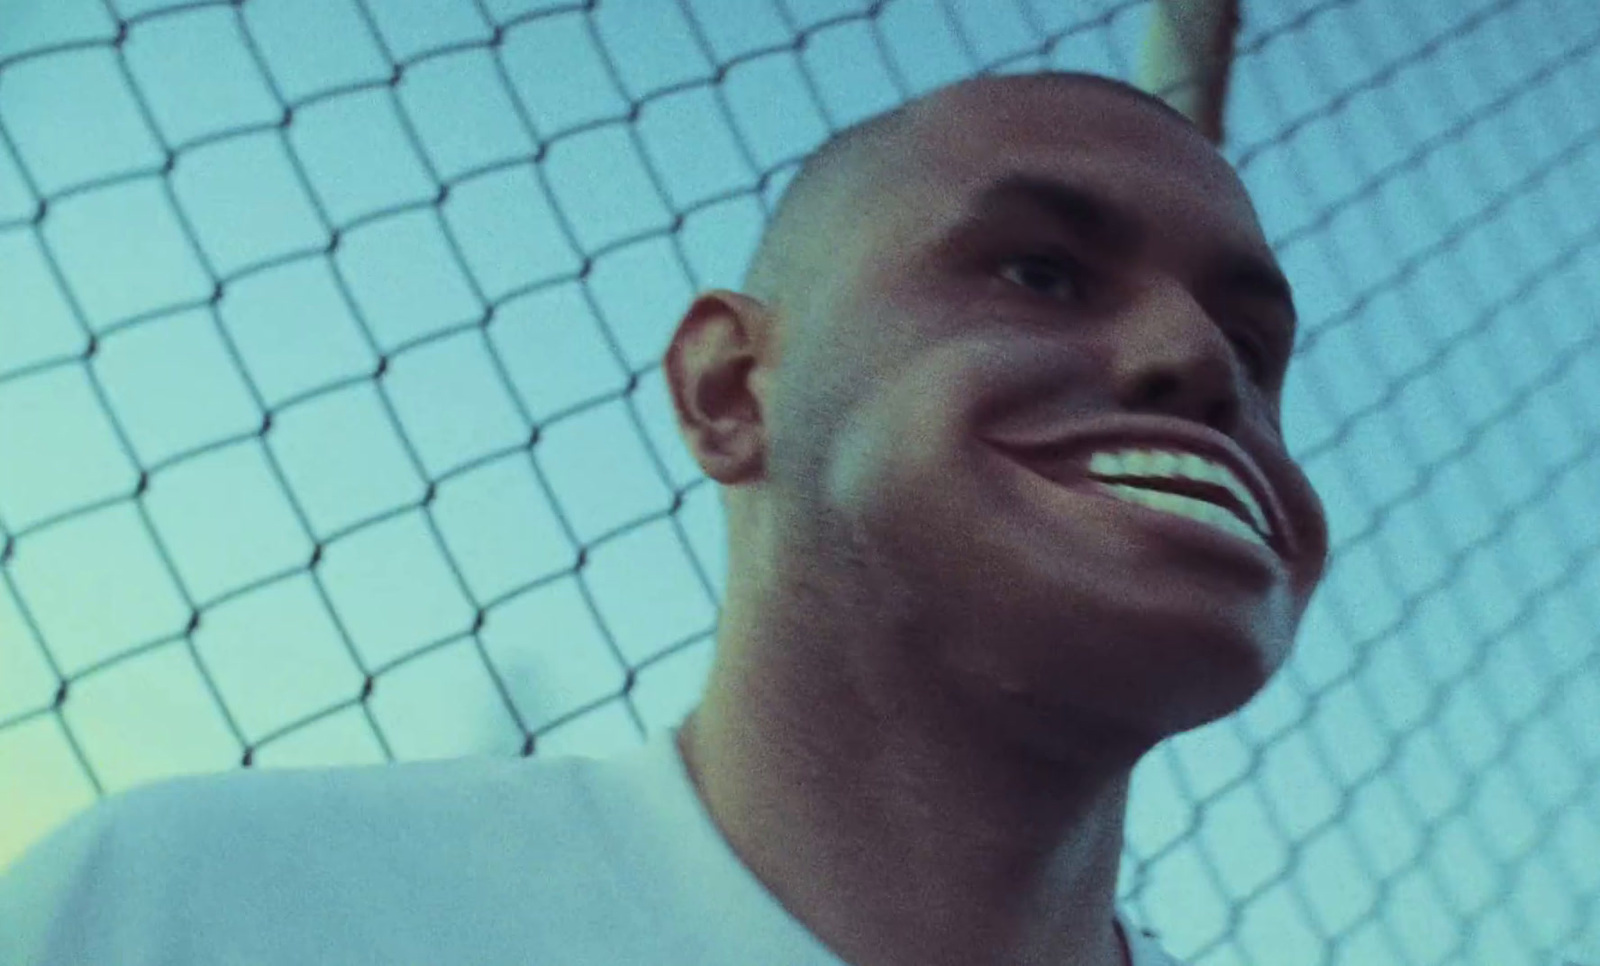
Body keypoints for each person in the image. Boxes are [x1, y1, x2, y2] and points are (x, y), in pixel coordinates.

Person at [1, 3, 1329, 965]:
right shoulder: (199, 908)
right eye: (1041, 271)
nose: (1198, 361)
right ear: (730, 389)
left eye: (1257, 348)